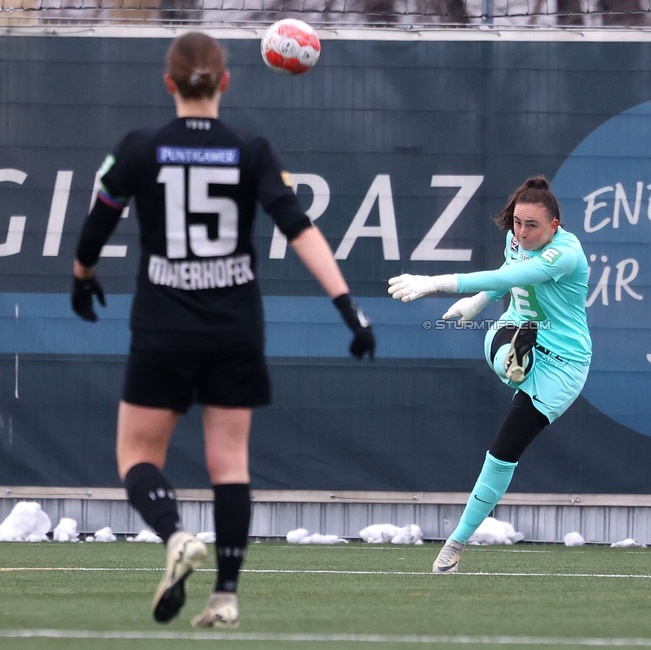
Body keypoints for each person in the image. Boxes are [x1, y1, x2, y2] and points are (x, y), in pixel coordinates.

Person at [71, 32, 375, 628]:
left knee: (136, 453)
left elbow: (98, 221)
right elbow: (299, 228)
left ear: (169, 83)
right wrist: (347, 306)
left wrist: (82, 276)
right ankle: (226, 594)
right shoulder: (249, 148)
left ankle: (175, 535)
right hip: (235, 329)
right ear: (225, 82)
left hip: (163, 328)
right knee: (230, 461)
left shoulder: (141, 147)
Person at [388, 176, 591, 573]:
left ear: (554, 225)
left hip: (564, 365)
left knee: (501, 456)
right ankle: (515, 359)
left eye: (532, 225)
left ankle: (455, 543)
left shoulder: (566, 254)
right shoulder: (516, 241)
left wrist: (438, 283)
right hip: (515, 329)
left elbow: (508, 278)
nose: (522, 232)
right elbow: (505, 274)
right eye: (517, 222)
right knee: (500, 341)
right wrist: (478, 304)